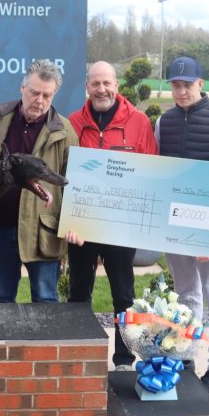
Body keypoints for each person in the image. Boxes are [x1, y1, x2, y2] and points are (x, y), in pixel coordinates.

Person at [154, 56, 209, 395]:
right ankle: (187, 357)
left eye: (187, 84)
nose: (181, 91)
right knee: (186, 294)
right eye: (175, 85)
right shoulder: (164, 121)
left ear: (200, 84)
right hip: (175, 223)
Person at [65, 61, 158, 370]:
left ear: (116, 85)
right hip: (83, 226)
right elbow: (64, 173)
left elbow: (150, 170)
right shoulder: (72, 123)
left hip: (122, 225)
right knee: (79, 292)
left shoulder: (139, 122)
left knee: (123, 295)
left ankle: (124, 359)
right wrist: (71, 219)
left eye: (107, 83)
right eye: (95, 84)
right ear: (87, 87)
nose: (101, 89)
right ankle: (79, 355)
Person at [0, 59, 78, 303]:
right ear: (22, 88)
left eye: (47, 95)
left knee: (46, 301)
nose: (40, 100)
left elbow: (75, 184)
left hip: (43, 233)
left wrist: (74, 223)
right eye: (35, 93)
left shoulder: (65, 131)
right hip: (0, 228)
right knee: (1, 301)